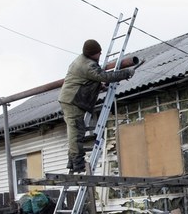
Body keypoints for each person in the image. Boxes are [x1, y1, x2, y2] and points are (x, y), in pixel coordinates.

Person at [58, 39, 135, 173]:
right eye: (98, 52)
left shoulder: (82, 61)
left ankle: (72, 162)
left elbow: (86, 81)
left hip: (72, 99)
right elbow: (103, 76)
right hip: (72, 100)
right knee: (76, 132)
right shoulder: (87, 65)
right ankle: (77, 162)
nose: (100, 54)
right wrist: (126, 73)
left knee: (76, 131)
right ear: (91, 53)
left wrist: (98, 86)